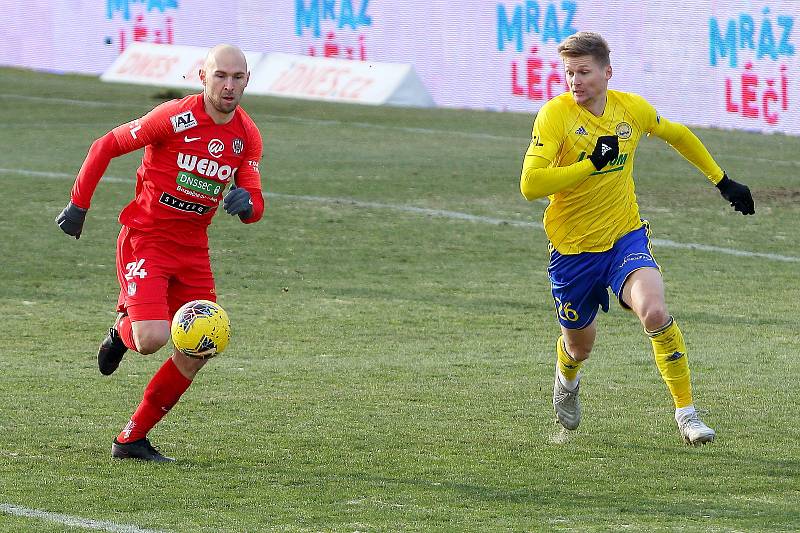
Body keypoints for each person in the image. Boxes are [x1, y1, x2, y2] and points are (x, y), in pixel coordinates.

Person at [519, 32, 754, 445]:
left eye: (584, 72)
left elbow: (677, 134)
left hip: (624, 238)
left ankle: (687, 413)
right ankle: (567, 377)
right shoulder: (554, 116)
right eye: (569, 73)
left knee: (655, 312)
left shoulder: (632, 111)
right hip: (572, 252)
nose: (575, 81)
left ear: (607, 72)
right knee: (580, 346)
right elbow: (531, 184)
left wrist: (722, 181)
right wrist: (591, 164)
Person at [55, 44, 264, 461]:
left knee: (201, 346)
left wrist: (248, 206)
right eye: (220, 76)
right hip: (146, 238)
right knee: (151, 338)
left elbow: (255, 203)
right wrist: (79, 205)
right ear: (203, 77)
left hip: (193, 250)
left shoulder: (246, 135)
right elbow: (105, 145)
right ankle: (122, 330)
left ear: (246, 81)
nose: (228, 85)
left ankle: (131, 439)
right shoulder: (173, 117)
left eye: (237, 78)